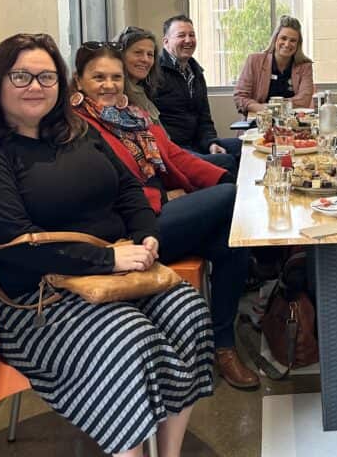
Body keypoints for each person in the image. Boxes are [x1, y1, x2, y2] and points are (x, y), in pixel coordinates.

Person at [0, 33, 226, 457]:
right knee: (129, 337)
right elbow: (15, 244)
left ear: (61, 84)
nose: (36, 87)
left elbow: (128, 188)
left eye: (46, 76)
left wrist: (148, 233)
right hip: (38, 303)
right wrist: (108, 258)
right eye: (22, 76)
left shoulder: (77, 131)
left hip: (118, 275)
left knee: (191, 311)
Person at [73, 41, 259, 391]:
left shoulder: (132, 115)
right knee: (234, 200)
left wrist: (219, 180)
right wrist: (168, 193)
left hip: (159, 212)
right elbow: (114, 190)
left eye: (115, 76)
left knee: (230, 238)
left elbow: (172, 154)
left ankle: (223, 346)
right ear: (78, 80)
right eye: (98, 77)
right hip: (131, 235)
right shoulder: (79, 128)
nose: (109, 85)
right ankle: (227, 333)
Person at [154, 15, 241, 174]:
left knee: (246, 147)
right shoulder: (154, 73)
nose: (188, 40)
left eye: (192, 35)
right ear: (166, 42)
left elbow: (204, 118)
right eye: (181, 35)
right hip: (174, 150)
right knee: (225, 162)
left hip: (197, 143)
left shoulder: (196, 72)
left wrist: (211, 143)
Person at [233, 15, 314, 115]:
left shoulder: (305, 66)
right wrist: (263, 109)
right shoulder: (254, 61)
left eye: (293, 40)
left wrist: (272, 107)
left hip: (293, 125)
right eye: (283, 38)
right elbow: (240, 97)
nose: (287, 44)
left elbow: (304, 100)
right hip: (258, 124)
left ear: (298, 44)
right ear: (275, 39)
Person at [116, 25, 162, 122]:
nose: (145, 59)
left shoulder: (142, 91)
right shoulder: (114, 96)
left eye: (150, 54)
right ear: (120, 55)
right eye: (138, 52)